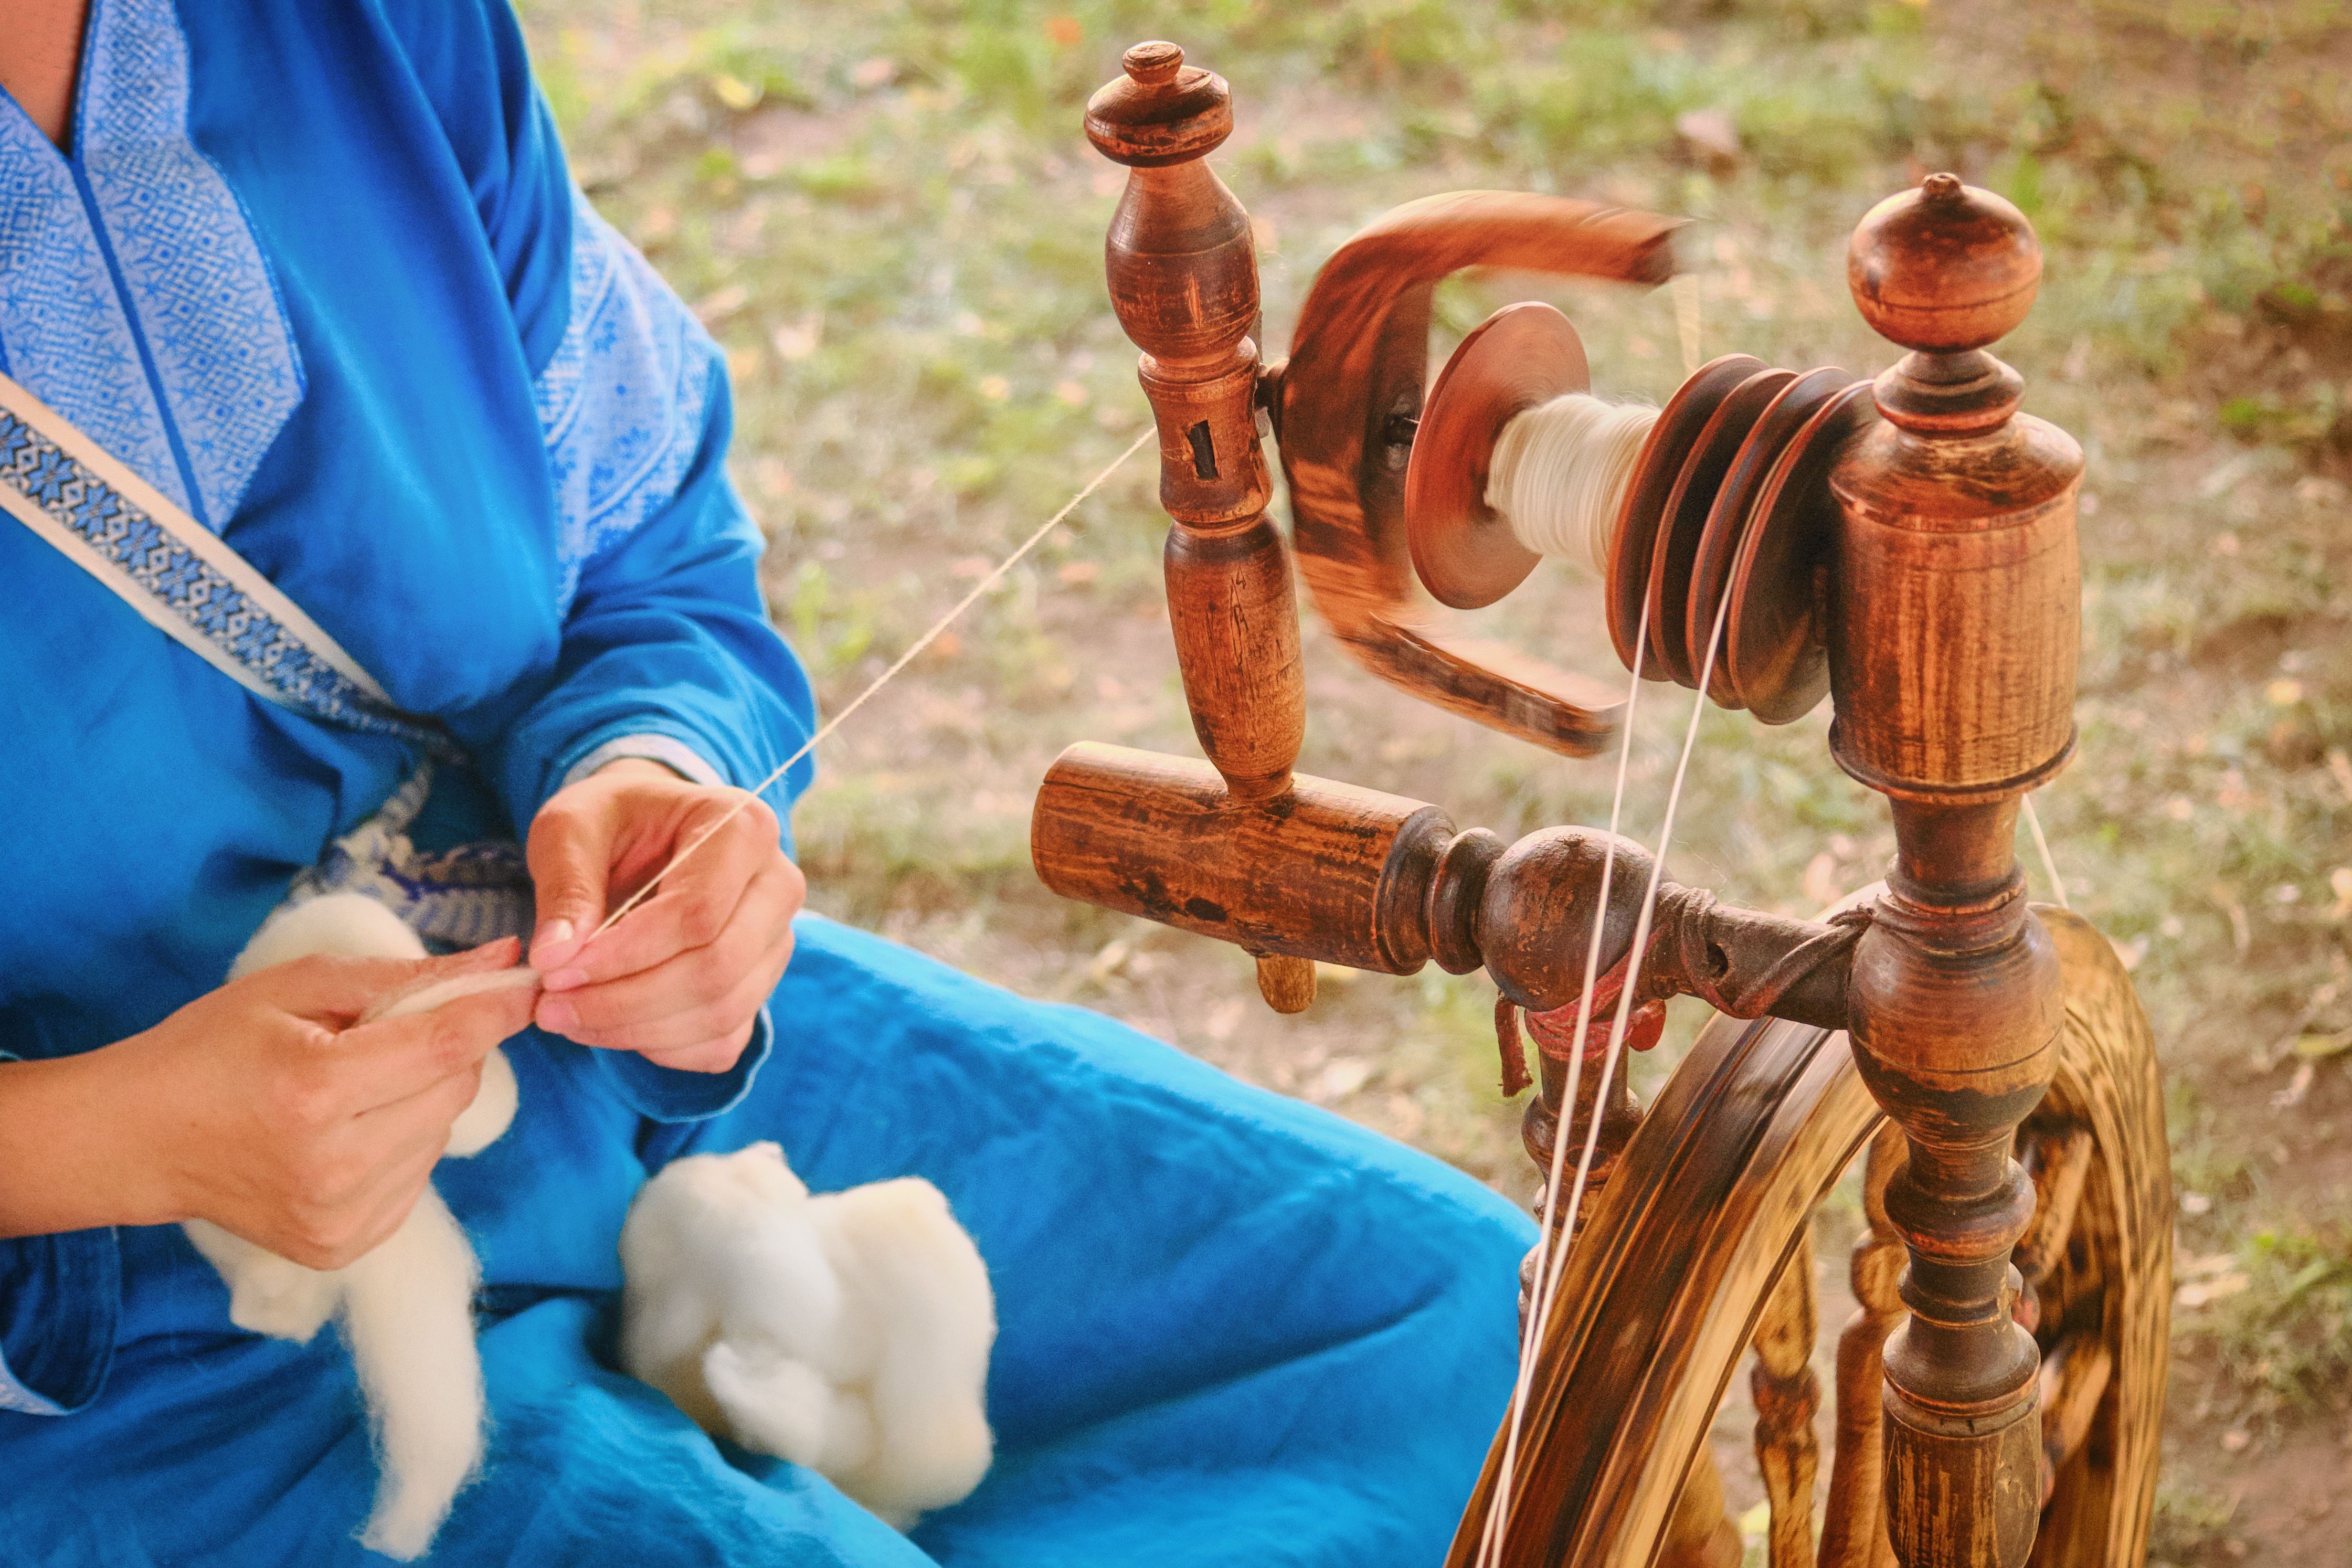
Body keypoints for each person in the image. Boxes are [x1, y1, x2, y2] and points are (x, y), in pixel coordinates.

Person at [0, 1, 1532, 1562]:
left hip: (588, 1036)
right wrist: (100, 1137)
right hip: (111, 1350)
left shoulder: (379, 30)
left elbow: (642, 552)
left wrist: (650, 770)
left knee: (1463, 1332)